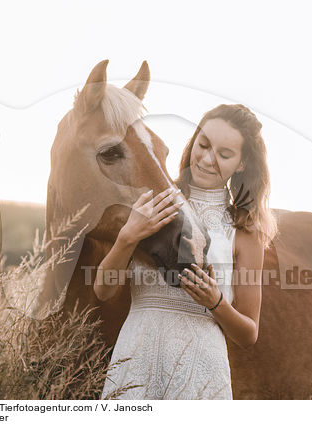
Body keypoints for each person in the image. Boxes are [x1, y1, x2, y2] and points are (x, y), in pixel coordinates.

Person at [97, 104, 278, 400]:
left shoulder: (244, 232)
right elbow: (103, 291)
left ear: (242, 163)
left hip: (202, 369)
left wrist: (216, 301)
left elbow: (249, 333)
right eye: (203, 145)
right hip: (135, 358)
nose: (207, 159)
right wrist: (127, 237)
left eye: (224, 154)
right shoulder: (154, 203)